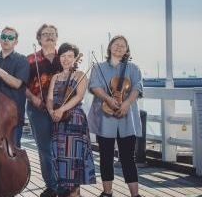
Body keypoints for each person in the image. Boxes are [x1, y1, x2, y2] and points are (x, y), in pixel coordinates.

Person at [88, 36, 144, 197]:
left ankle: (135, 195)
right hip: (105, 116)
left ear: (127, 50)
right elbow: (95, 86)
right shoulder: (99, 67)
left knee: (128, 157)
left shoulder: (133, 68)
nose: (119, 47)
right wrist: (108, 99)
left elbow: (137, 87)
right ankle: (107, 192)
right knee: (105, 157)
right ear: (110, 47)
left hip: (127, 116)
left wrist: (126, 104)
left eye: (123, 46)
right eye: (116, 44)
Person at [46, 42, 96, 197]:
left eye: (69, 56)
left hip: (74, 120)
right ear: (59, 57)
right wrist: (51, 111)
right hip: (58, 121)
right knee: (59, 156)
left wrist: (61, 109)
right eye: (63, 56)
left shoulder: (80, 75)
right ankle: (65, 192)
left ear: (75, 58)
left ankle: (75, 193)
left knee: (74, 158)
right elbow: (49, 98)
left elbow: (79, 96)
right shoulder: (55, 77)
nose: (66, 59)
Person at [27, 24, 63, 197]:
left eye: (52, 34)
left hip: (61, 109)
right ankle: (52, 186)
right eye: (45, 34)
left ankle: (65, 184)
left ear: (57, 37)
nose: (49, 36)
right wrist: (33, 98)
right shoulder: (30, 59)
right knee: (45, 149)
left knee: (62, 147)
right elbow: (22, 85)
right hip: (38, 109)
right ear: (39, 38)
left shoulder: (64, 58)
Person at [0, 26, 30, 147]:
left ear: (16, 42)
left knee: (12, 152)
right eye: (3, 37)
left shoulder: (22, 60)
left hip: (12, 116)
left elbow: (17, 83)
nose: (6, 40)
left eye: (10, 37)